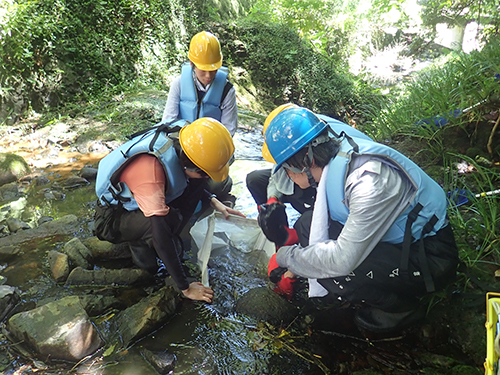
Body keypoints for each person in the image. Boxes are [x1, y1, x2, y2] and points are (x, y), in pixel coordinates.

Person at [262, 107, 459, 333]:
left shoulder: (369, 181)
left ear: (306, 159)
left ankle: (402, 310)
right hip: (398, 243)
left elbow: (340, 260)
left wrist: (286, 257)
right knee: (306, 226)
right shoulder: (326, 146)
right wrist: (294, 264)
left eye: (287, 169)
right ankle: (364, 291)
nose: (287, 176)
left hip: (430, 256)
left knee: (333, 272)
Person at [93, 118, 245, 303]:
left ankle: (159, 243)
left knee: (197, 187)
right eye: (204, 172)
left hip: (139, 201)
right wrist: (185, 287)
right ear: (189, 165)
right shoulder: (152, 174)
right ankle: (141, 257)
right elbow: (161, 235)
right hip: (112, 218)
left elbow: (196, 181)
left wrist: (214, 201)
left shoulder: (188, 141)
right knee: (167, 222)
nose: (206, 176)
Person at [248, 104, 373, 299]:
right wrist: (273, 202)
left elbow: (344, 253)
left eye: (289, 170)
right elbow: (276, 174)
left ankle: (333, 291)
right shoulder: (303, 137)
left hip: (352, 224)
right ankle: (285, 237)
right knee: (256, 180)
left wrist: (291, 268)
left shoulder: (343, 172)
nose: (286, 174)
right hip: (312, 176)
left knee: (306, 223)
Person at [161, 31, 238, 205]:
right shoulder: (179, 84)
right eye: (204, 70)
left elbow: (228, 129)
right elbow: (168, 122)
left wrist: (207, 155)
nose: (209, 76)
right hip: (183, 147)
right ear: (192, 63)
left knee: (216, 185)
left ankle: (214, 189)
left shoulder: (227, 90)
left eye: (213, 70)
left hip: (213, 148)